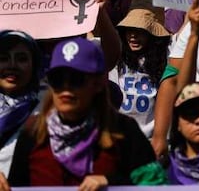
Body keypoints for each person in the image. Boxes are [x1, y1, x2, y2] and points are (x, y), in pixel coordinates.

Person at [7, 37, 155, 188]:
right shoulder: (33, 131)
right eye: (57, 79)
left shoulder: (123, 130)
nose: (66, 87)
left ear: (97, 84)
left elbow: (154, 182)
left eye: (76, 79)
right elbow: (16, 185)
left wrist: (112, 183)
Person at [114, 7, 170, 138]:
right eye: (129, 30)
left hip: (151, 137)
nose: (133, 35)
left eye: (139, 31)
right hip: (121, 135)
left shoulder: (165, 56)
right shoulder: (117, 55)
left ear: (151, 35)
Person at [0, 31, 43, 179]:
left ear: (34, 65)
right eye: (3, 58)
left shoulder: (46, 113)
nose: (12, 65)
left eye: (22, 59)